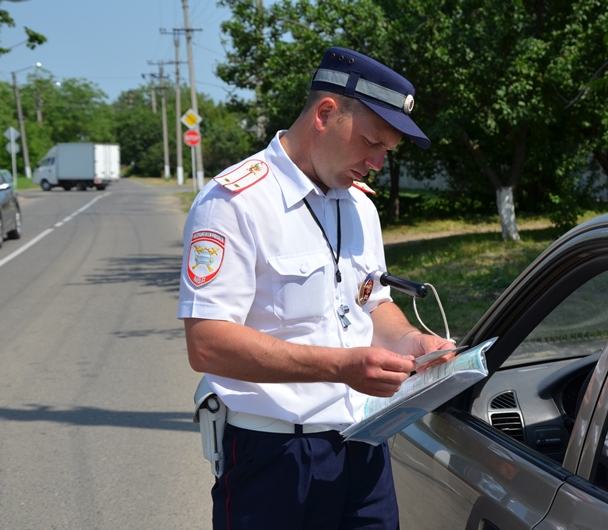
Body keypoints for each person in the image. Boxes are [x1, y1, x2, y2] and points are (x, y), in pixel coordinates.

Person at [177, 46, 453, 529]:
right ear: (326, 113)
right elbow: (208, 343)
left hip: (364, 444)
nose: (378, 163)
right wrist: (343, 367)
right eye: (371, 142)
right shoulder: (235, 202)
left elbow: (373, 303)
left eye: (387, 152)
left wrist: (412, 342)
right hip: (276, 456)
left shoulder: (360, 206)